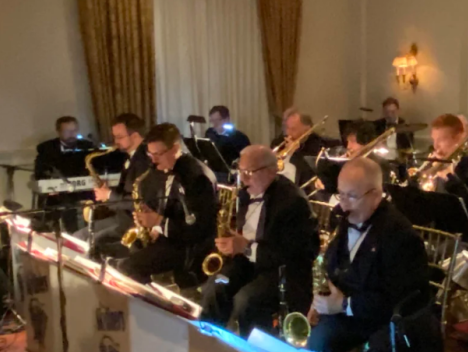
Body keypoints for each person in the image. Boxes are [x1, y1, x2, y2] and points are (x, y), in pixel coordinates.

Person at [307, 157, 430, 352]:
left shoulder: (400, 235)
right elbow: (334, 267)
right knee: (318, 341)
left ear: (376, 194)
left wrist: (344, 305)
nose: (343, 204)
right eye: (340, 194)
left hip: (391, 319)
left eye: (351, 196)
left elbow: (397, 300)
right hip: (353, 311)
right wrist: (320, 300)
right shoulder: (345, 217)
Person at [199, 146, 319, 335]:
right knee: (216, 285)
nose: (243, 179)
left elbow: (290, 254)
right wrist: (231, 238)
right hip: (247, 264)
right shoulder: (246, 192)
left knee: (246, 300)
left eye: (249, 172)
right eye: (241, 171)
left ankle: (251, 349)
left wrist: (246, 247)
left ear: (271, 170)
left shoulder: (293, 202)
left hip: (281, 272)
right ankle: (209, 340)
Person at [117, 123, 217, 284]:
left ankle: (150, 298)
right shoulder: (167, 168)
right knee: (124, 252)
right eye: (150, 154)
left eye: (158, 154)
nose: (153, 160)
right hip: (171, 236)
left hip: (189, 247)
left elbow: (198, 229)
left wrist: (158, 222)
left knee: (127, 266)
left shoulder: (196, 177)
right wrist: (152, 223)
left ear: (175, 148)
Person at [76, 113, 153, 257]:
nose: (115, 141)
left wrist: (109, 195)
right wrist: (108, 193)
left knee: (89, 243)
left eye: (119, 137)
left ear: (135, 136)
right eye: (115, 137)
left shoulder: (144, 161)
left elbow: (140, 201)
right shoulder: (132, 157)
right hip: (121, 217)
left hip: (131, 223)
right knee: (79, 237)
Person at [419, 113, 468, 220]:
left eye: (441, 140)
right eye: (434, 139)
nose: (435, 146)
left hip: (463, 227)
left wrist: (449, 177)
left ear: (458, 139)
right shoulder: (431, 164)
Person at [34, 116, 96, 233]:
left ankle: (88, 232)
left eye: (74, 130)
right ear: (58, 131)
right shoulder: (46, 148)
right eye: (67, 131)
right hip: (58, 193)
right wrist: (49, 185)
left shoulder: (87, 146)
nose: (72, 134)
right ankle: (69, 233)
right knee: (64, 204)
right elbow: (40, 173)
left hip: (83, 190)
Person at [272, 111, 330, 188]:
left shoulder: (317, 145)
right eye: (287, 128)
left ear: (307, 130)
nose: (288, 133)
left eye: (293, 129)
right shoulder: (279, 142)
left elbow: (308, 174)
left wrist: (294, 153)